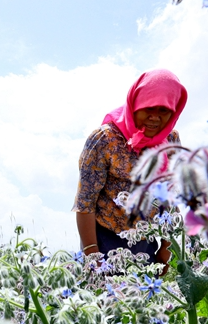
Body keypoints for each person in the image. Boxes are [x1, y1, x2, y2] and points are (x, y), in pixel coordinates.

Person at [73, 69, 188, 267]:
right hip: (104, 241)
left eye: (163, 111)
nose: (154, 117)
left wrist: (166, 248)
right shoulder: (105, 140)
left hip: (148, 243)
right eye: (148, 109)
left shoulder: (170, 141)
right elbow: (85, 203)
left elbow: (170, 198)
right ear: (135, 104)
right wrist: (93, 256)